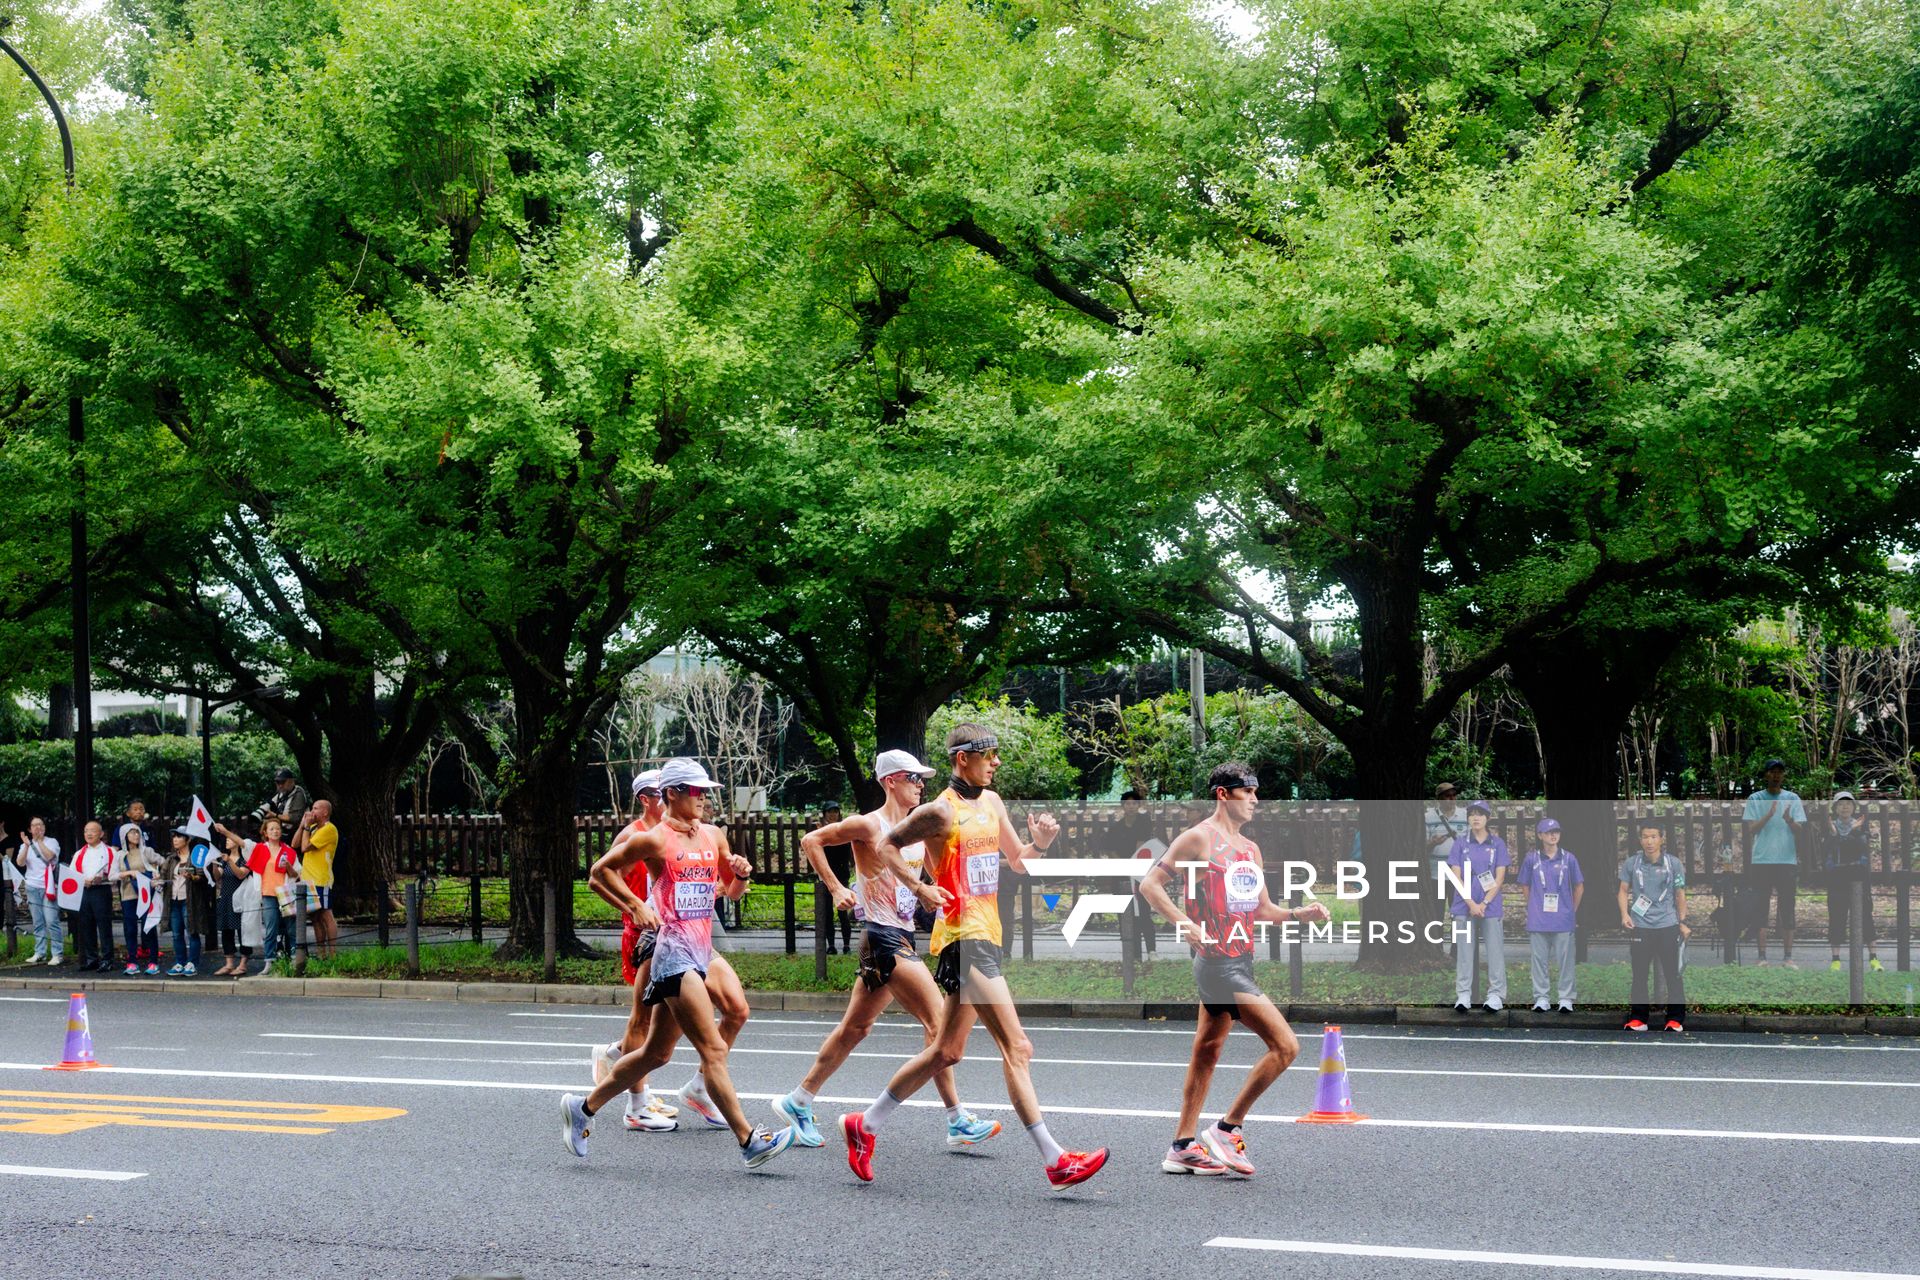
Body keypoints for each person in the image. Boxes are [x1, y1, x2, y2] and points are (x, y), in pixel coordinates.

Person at [839, 723, 1109, 1191]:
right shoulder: (938, 812)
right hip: (963, 937)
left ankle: (865, 1124)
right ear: (962, 758)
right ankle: (1056, 1160)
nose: (997, 762)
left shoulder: (992, 802)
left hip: (986, 933)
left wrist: (1040, 842)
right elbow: (886, 845)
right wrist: (920, 886)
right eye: (990, 755)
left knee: (946, 1051)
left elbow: (1020, 861)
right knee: (1018, 1046)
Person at [562, 758, 795, 1171]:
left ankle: (582, 1108)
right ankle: (748, 1140)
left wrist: (740, 872)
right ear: (671, 794)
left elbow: (733, 892)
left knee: (656, 1053)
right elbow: (599, 873)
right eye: (695, 790)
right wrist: (634, 905)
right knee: (713, 1048)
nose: (703, 798)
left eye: (705, 791)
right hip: (670, 954)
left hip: (703, 949)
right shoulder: (654, 840)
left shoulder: (713, 835)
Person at [772, 749, 1002, 1150]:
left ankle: (799, 1099)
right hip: (882, 936)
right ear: (890, 781)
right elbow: (812, 840)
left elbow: (927, 875)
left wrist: (936, 894)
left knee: (856, 1029)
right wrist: (837, 887)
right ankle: (956, 1119)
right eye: (912, 778)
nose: (920, 784)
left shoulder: (914, 830)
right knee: (938, 1025)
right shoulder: (868, 823)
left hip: (901, 935)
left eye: (922, 779)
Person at [1136, 762, 1330, 1177]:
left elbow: (1262, 910)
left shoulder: (1249, 850)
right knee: (1286, 1046)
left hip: (1241, 959)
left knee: (1207, 1052)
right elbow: (1149, 885)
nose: (1255, 801)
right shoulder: (1197, 839)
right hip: (1217, 963)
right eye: (1248, 793)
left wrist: (1301, 912)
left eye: (1256, 793)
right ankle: (1228, 1128)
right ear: (1224, 794)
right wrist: (1182, 923)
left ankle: (1182, 1146)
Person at [585, 769, 679, 1132]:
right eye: (661, 793)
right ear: (645, 799)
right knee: (644, 1019)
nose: (669, 797)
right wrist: (633, 908)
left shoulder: (669, 833)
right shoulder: (633, 835)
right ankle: (636, 1102)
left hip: (670, 934)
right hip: (642, 935)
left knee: (656, 1021)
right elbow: (598, 878)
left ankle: (614, 1056)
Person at [1620, 821, 1689, 1032]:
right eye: (1645, 837)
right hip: (1640, 925)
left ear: (1661, 839)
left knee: (1673, 974)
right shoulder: (1632, 863)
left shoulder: (1673, 863)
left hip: (1667, 924)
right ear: (1640, 840)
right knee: (1639, 974)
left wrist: (1682, 922)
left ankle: (1675, 1019)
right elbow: (1623, 890)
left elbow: (1680, 894)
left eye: (1653, 837)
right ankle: (1639, 1019)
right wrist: (1624, 915)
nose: (1649, 841)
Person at [1446, 801, 1508, 1013]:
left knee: (1494, 951)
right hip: (1464, 906)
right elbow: (1456, 875)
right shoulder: (1460, 843)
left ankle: (1496, 994)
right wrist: (1471, 903)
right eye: (1472, 814)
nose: (1475, 818)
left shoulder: (1497, 844)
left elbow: (1499, 878)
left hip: (1490, 906)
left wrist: (1484, 903)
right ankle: (1463, 994)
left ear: (1487, 818)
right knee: (1464, 951)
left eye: (1480, 814)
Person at [1743, 758, 1806, 966]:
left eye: (1780, 771)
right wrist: (1769, 815)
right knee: (1761, 908)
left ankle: (1788, 957)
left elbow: (1800, 830)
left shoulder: (1793, 798)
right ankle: (1762, 957)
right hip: (1761, 862)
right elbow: (1751, 829)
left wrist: (1788, 819)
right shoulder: (1755, 798)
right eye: (1772, 771)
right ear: (1766, 775)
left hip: (1787, 862)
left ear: (1784, 775)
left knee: (1788, 908)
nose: (1776, 775)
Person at [1517, 818, 1583, 1013]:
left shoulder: (1569, 858)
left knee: (1566, 960)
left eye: (1556, 832)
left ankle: (1566, 997)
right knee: (1539, 960)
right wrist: (1533, 906)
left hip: (1563, 919)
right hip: (1539, 919)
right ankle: (1541, 997)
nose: (1553, 835)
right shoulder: (1532, 859)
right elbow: (1525, 885)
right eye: (1548, 832)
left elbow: (1579, 886)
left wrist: (1572, 909)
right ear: (1540, 835)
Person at [214, 817, 296, 968]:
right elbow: (242, 843)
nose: (275, 831)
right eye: (271, 829)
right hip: (267, 894)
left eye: (277, 828)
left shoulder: (289, 851)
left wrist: (289, 866)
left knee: (291, 928)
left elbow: (296, 875)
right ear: (265, 832)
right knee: (271, 929)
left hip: (286, 894)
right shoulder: (259, 848)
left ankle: (294, 959)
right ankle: (269, 962)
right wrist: (225, 831)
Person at [1821, 791, 1882, 972]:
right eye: (1841, 804)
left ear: (1854, 807)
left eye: (1848, 803)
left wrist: (1852, 834)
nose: (1845, 807)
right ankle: (1836, 960)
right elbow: (1825, 851)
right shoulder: (1829, 827)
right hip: (1837, 879)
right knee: (1837, 917)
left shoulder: (1861, 825)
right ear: (1835, 808)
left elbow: (1862, 848)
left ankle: (1874, 959)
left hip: (1858, 878)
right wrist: (1834, 836)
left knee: (1865, 917)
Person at [1114, 790, 1160, 952]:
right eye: (1127, 803)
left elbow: (1141, 848)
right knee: (1125, 914)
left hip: (1141, 873)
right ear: (1123, 806)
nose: (1131, 806)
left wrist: (1133, 866)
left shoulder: (1144, 822)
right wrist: (1123, 866)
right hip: (1122, 875)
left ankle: (1151, 950)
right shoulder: (1116, 827)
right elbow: (1111, 851)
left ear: (1138, 806)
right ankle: (1132, 952)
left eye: (1134, 803)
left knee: (1143, 912)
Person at [1423, 783, 1468, 950]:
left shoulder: (1465, 815)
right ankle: (1437, 949)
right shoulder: (1429, 817)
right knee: (1436, 914)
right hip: (1437, 873)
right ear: (1439, 799)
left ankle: (1457, 950)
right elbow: (1421, 848)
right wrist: (1432, 843)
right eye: (1447, 796)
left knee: (1458, 913)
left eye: (1454, 795)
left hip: (1459, 874)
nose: (1452, 799)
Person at [160, 831, 211, 976]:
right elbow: (163, 876)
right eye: (174, 837)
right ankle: (180, 962)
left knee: (192, 932)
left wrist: (192, 876)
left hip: (190, 901)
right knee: (177, 934)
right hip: (173, 900)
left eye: (179, 837)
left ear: (187, 840)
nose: (175, 840)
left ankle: (192, 963)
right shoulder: (171, 859)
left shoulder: (195, 857)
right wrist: (157, 880)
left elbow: (202, 877)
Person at [113, 825, 162, 975]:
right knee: (130, 929)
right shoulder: (120, 855)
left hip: (146, 893)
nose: (135, 835)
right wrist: (129, 873)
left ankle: (153, 961)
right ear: (124, 836)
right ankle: (132, 962)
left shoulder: (146, 851)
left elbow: (163, 862)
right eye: (132, 833)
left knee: (149, 927)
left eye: (137, 832)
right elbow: (111, 875)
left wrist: (156, 874)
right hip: (128, 895)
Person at [13, 817, 62, 965]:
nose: (37, 827)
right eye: (34, 825)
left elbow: (49, 857)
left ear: (44, 827)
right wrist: (27, 846)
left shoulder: (52, 842)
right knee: (37, 922)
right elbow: (20, 863)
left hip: (49, 886)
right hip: (32, 886)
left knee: (51, 920)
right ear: (29, 829)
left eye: (40, 824)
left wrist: (40, 841)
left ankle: (57, 953)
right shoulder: (25, 845)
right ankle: (39, 952)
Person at [294, 799, 339, 958]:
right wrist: (302, 825)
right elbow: (295, 844)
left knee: (326, 914)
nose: (312, 811)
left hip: (321, 879)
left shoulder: (329, 829)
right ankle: (321, 954)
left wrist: (306, 827)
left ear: (325, 812)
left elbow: (305, 847)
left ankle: (333, 953)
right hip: (307, 879)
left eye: (315, 808)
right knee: (315, 917)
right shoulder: (312, 828)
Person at [73, 820, 119, 972]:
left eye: (93, 831)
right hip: (84, 891)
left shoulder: (110, 851)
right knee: (86, 925)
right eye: (86, 831)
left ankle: (108, 959)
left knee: (104, 925)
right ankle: (91, 958)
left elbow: (115, 874)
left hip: (101, 890)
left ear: (101, 834)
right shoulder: (79, 853)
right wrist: (82, 881)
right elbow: (72, 875)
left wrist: (103, 878)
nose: (89, 834)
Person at [211, 827, 255, 977]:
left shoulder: (246, 858)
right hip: (226, 897)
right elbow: (218, 877)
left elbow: (241, 874)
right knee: (226, 930)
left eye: (231, 838)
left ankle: (243, 963)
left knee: (243, 931)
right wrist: (214, 865)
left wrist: (229, 861)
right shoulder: (224, 859)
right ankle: (229, 963)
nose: (228, 840)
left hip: (242, 899)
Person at [249, 767, 311, 835]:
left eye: (283, 782)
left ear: (292, 781)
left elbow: (294, 818)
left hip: (294, 833)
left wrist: (274, 815)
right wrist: (262, 811)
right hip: (282, 831)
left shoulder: (298, 793)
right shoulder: (282, 793)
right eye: (278, 782)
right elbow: (270, 804)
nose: (280, 785)